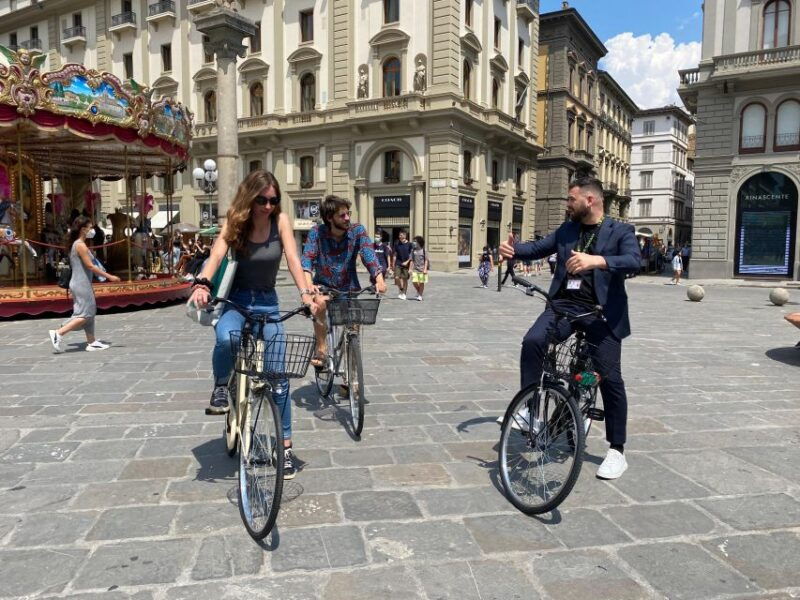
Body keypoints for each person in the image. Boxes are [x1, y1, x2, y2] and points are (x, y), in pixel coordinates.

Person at [499, 176, 640, 480]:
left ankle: (617, 450)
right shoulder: (567, 229)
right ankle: (531, 410)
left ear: (590, 200)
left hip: (601, 313)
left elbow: (633, 261)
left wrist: (596, 260)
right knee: (534, 341)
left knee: (610, 379)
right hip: (564, 306)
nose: (567, 204)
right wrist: (513, 249)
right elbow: (536, 248)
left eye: (571, 199)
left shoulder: (620, 231)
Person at [188, 170, 314, 479]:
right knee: (227, 339)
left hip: (268, 303)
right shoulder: (236, 221)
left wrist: (306, 294)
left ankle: (284, 447)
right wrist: (202, 283)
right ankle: (222, 385)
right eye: (262, 200)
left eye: (273, 200)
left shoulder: (280, 221)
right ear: (250, 197)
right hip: (237, 300)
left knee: (279, 379)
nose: (268, 206)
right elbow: (217, 254)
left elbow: (293, 259)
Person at [301, 195, 386, 366]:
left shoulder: (357, 231)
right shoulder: (317, 232)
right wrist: (308, 284)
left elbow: (368, 254)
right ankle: (322, 348)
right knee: (319, 304)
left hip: (349, 286)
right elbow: (307, 258)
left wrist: (379, 278)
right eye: (342, 215)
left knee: (354, 325)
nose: (347, 218)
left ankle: (352, 366)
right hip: (323, 285)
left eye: (348, 213)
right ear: (329, 218)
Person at [49, 216, 121, 353]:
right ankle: (59, 333)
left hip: (81, 282)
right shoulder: (80, 245)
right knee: (86, 313)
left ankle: (91, 342)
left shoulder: (78, 244)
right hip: (81, 283)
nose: (92, 230)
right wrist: (109, 276)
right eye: (90, 227)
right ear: (83, 229)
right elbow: (90, 266)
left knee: (89, 312)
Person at [391, 230, 412, 300]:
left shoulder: (409, 244)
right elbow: (394, 255)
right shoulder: (397, 244)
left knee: (405, 279)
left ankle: (404, 293)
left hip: (406, 265)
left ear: (405, 236)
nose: (400, 236)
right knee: (396, 277)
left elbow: (411, 256)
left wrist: (408, 263)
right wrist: (393, 265)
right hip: (398, 263)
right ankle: (401, 288)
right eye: (399, 235)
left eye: (401, 235)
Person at [410, 235, 429, 301]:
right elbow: (412, 260)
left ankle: (420, 295)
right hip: (415, 269)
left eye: (415, 241)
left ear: (419, 242)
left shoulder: (424, 250)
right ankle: (419, 291)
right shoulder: (413, 250)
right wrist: (410, 269)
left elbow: (426, 260)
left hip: (422, 269)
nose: (414, 242)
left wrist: (425, 269)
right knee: (414, 281)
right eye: (414, 241)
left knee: (421, 282)